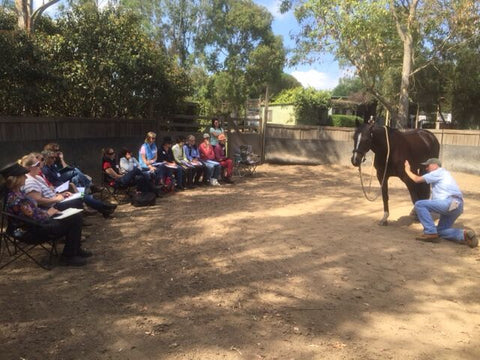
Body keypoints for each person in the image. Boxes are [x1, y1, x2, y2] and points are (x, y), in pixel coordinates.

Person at [0, 162, 92, 266]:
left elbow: (32, 214)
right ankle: (69, 255)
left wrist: (48, 212)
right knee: (75, 218)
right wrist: (49, 212)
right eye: (23, 175)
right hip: (33, 231)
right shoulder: (18, 199)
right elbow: (34, 218)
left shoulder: (14, 194)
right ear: (16, 179)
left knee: (74, 216)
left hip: (32, 226)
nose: (26, 177)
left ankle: (75, 250)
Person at [404, 158, 478, 247]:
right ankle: (464, 234)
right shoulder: (445, 174)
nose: (426, 168)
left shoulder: (438, 172)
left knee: (419, 204)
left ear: (435, 165)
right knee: (441, 231)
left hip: (449, 202)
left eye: (428, 166)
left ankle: (430, 233)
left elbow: (417, 179)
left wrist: (407, 170)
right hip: (458, 205)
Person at [21, 154, 116, 218]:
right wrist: (57, 197)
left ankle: (102, 208)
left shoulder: (44, 172)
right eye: (39, 162)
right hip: (54, 201)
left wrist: (61, 193)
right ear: (29, 168)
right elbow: (38, 200)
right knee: (80, 195)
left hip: (58, 193)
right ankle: (103, 207)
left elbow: (65, 170)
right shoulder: (38, 175)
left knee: (78, 190)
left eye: (55, 157)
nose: (54, 159)